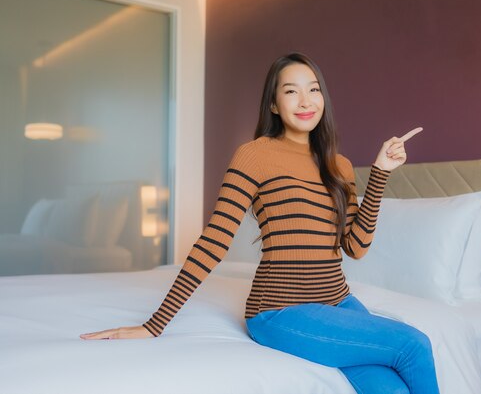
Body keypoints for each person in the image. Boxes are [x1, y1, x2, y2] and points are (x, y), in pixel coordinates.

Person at [81, 52, 438, 394]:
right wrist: (154, 325)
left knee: (390, 389)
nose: (305, 101)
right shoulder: (254, 155)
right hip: (280, 312)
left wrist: (379, 175)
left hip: (339, 304)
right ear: (273, 104)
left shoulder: (339, 165)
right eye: (291, 91)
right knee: (414, 344)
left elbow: (355, 247)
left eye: (313, 89)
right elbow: (214, 241)